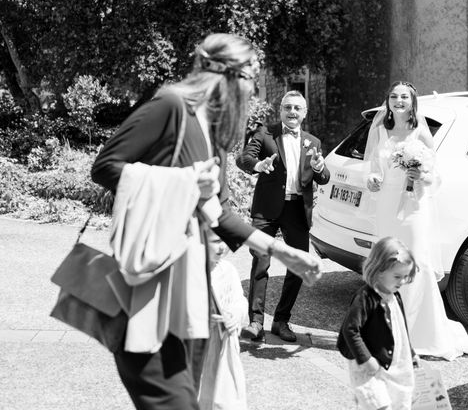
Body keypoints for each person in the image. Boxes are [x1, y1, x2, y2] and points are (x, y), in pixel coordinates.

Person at [91, 33, 322, 410]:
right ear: (225, 74)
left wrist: (282, 251)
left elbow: (220, 212)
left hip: (193, 296)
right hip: (153, 290)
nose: (255, 93)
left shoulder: (213, 130)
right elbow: (105, 167)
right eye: (252, 79)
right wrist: (180, 182)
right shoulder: (171, 105)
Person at [364, 81, 468, 361]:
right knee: (386, 263)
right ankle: (387, 331)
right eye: (393, 96)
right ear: (388, 101)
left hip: (413, 208)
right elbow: (374, 168)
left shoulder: (420, 132)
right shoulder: (378, 130)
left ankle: (420, 335)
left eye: (404, 97)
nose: (398, 101)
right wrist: (373, 180)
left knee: (415, 263)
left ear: (412, 102)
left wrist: (419, 176)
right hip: (387, 206)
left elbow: (435, 176)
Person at [236, 90, 331, 343]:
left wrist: (320, 168)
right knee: (260, 261)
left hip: (297, 209)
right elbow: (244, 158)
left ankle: (281, 321)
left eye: (297, 108)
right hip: (266, 209)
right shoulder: (265, 133)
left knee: (298, 265)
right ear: (280, 110)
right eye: (287, 107)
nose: (292, 112)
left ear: (304, 113)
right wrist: (258, 165)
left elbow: (323, 176)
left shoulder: (313, 142)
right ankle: (256, 322)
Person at [337, 236, 420, 410]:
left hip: (393, 363)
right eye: (397, 276)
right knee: (378, 404)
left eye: (405, 276)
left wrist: (410, 352)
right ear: (380, 269)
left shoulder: (395, 295)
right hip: (368, 367)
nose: (402, 281)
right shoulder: (365, 297)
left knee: (397, 401)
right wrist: (366, 359)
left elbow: (401, 328)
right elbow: (350, 329)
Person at [198, 240, 248, 410]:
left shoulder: (228, 270)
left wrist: (236, 314)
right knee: (202, 392)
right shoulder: (191, 273)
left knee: (226, 394)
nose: (222, 246)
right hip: (200, 347)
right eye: (215, 241)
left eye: (224, 241)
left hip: (225, 345)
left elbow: (239, 300)